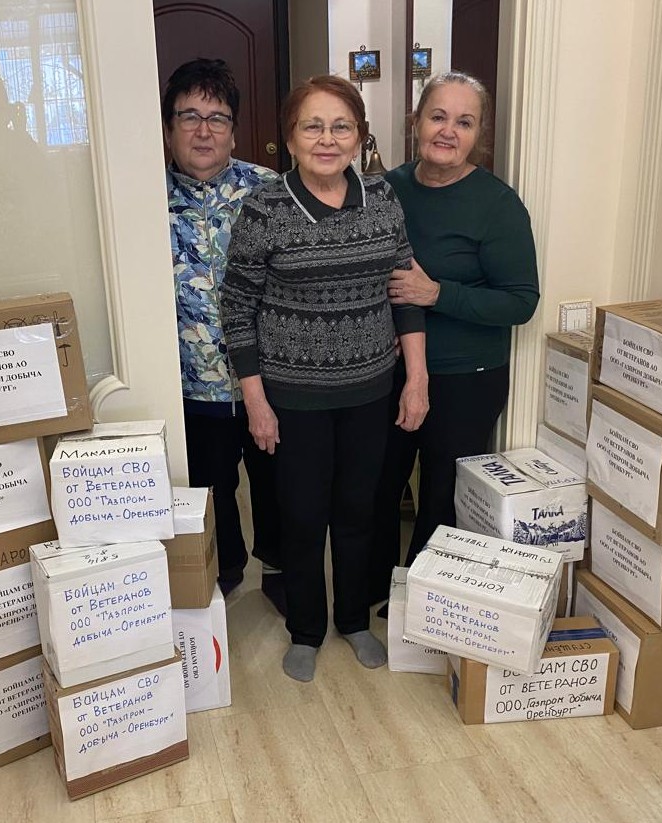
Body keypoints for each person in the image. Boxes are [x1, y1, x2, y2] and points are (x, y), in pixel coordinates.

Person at [220, 75, 429, 682]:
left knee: (361, 510)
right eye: (312, 126)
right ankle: (307, 630)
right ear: (290, 138)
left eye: (341, 126)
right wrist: (256, 401)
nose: (327, 139)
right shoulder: (264, 208)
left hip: (371, 390)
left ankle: (355, 620)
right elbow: (237, 308)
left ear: (360, 136)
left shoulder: (382, 198)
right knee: (303, 516)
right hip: (293, 399)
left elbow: (404, 291)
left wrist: (415, 379)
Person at [370, 71, 540, 610]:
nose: (448, 131)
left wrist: (437, 293)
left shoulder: (497, 205)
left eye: (464, 123)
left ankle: (419, 608)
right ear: (415, 122)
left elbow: (520, 302)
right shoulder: (387, 189)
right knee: (376, 485)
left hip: (467, 377)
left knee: (441, 496)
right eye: (438, 116)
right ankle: (372, 594)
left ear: (478, 136)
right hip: (389, 369)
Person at [163, 58, 285, 610]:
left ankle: (280, 568)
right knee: (212, 485)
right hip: (192, 383)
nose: (204, 130)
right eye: (189, 116)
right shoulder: (143, 201)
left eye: (217, 118)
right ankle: (227, 566)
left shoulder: (269, 192)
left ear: (234, 130)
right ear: (169, 128)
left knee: (277, 482)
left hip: (270, 379)